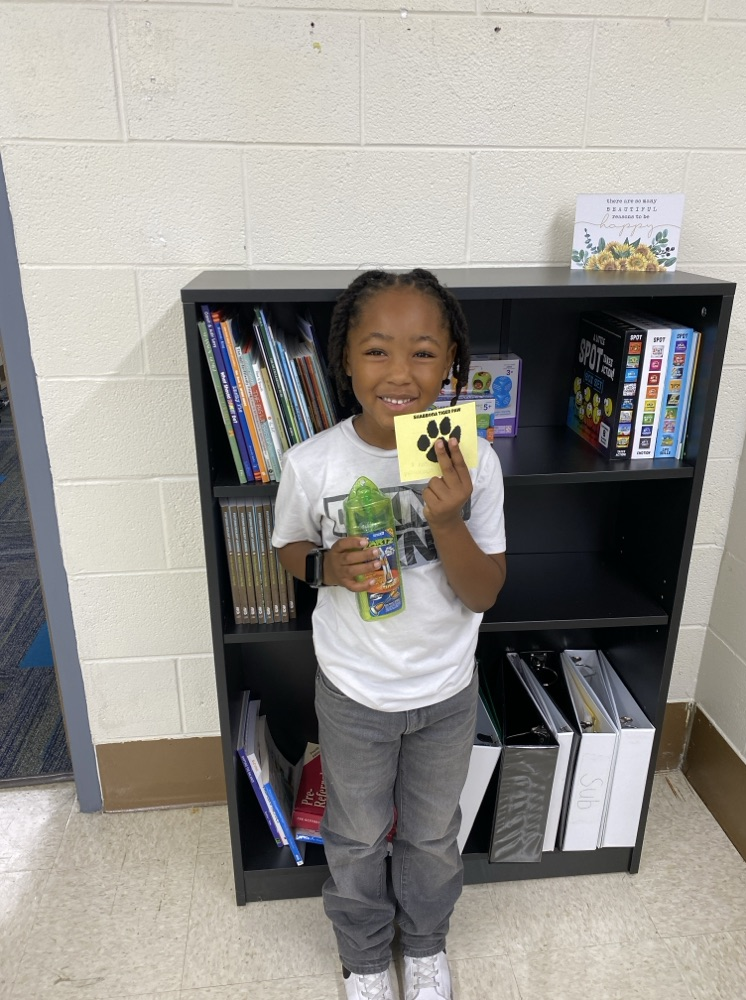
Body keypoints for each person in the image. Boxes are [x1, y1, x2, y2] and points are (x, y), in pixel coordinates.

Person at [272, 268, 506, 1000]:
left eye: (424, 352)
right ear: (344, 359)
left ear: (452, 363)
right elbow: (289, 546)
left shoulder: (474, 462)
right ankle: (366, 955)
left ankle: (426, 944)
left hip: (445, 690)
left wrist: (448, 520)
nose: (400, 373)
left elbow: (484, 591)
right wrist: (324, 568)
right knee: (355, 833)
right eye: (377, 350)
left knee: (432, 834)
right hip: (354, 692)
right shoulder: (312, 464)